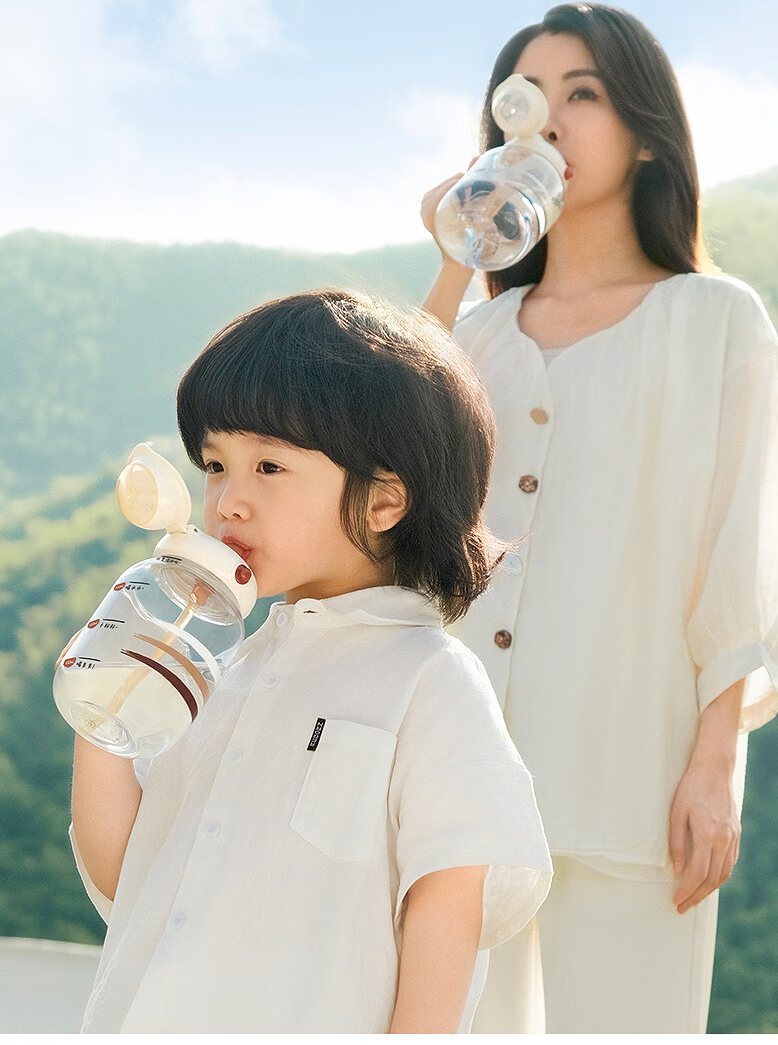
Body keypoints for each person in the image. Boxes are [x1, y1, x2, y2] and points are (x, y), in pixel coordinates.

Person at [420, 1, 778, 1034]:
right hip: (459, 792)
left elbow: (741, 553)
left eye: (582, 93)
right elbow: (383, 464)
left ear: (646, 130)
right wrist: (455, 254)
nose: (549, 121)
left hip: (634, 778)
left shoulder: (715, 321)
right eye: (526, 99)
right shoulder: (478, 335)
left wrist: (716, 765)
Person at [68, 288, 552, 1033]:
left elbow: (450, 896)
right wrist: (105, 717)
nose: (227, 501)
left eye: (269, 466)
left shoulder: (429, 679)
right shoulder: (222, 673)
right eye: (215, 464)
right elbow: (126, 876)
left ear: (384, 501)